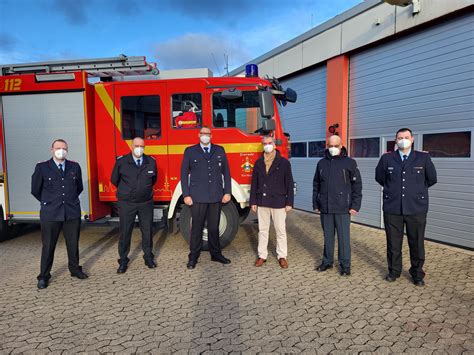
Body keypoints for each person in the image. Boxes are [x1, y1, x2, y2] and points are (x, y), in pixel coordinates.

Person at [376, 128, 437, 286]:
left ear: (412, 139)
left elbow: (432, 179)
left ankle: (417, 274)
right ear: (395, 140)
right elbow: (380, 178)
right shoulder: (387, 159)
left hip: (416, 208)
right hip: (393, 208)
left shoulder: (423, 157)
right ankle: (394, 271)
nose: (403, 139)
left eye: (406, 137)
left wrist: (415, 192)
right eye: (400, 137)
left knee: (416, 243)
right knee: (393, 244)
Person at [31, 139, 88, 289]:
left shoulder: (74, 166)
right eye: (58, 148)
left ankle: (75, 269)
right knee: (48, 246)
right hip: (51, 213)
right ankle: (43, 276)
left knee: (73, 244)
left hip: (71, 212)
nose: (61, 150)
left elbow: (79, 187)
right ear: (52, 150)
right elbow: (35, 190)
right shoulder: (42, 167)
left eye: (64, 148)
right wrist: (49, 202)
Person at [180, 126, 232, 269]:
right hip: (197, 197)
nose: (205, 136)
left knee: (214, 228)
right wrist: (186, 194)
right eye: (202, 134)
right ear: (198, 135)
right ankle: (193, 256)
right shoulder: (190, 151)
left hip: (216, 196)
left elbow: (226, 172)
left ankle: (216, 254)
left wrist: (227, 191)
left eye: (207, 134)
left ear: (211, 136)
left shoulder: (219, 150)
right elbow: (183, 174)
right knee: (196, 228)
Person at [312, 135, 362, 276]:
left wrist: (355, 205)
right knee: (328, 237)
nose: (333, 148)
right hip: (325, 207)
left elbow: (357, 185)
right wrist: (316, 202)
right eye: (330, 146)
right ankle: (327, 261)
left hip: (343, 207)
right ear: (327, 146)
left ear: (341, 146)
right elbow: (316, 184)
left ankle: (345, 265)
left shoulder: (350, 163)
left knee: (343, 238)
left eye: (336, 146)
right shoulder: (321, 163)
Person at [111, 137, 158, 273]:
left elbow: (154, 179)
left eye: (142, 146)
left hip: (145, 203)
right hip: (127, 203)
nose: (139, 148)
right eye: (136, 146)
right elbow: (114, 179)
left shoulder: (151, 162)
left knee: (147, 230)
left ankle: (148, 257)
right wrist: (127, 191)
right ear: (131, 147)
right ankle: (123, 260)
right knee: (125, 232)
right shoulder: (122, 162)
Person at [250, 136, 294, 269]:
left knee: (280, 230)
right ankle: (262, 255)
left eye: (269, 143)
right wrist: (253, 201)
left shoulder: (284, 163)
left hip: (279, 201)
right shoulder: (258, 163)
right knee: (263, 230)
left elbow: (289, 183)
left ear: (274, 145)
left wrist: (289, 202)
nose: (267, 145)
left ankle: (282, 256)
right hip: (262, 201)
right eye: (265, 144)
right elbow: (254, 183)